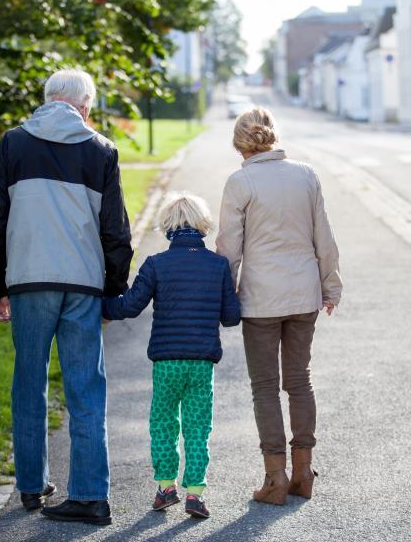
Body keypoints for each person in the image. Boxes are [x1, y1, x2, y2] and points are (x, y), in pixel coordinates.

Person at [0, 68, 132, 525]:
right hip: (82, 284)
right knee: (86, 388)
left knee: (29, 381)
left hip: (28, 281)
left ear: (48, 100)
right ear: (84, 105)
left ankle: (31, 486)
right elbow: (115, 230)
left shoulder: (14, 142)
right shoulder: (101, 149)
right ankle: (89, 496)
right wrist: (113, 289)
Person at [216, 106, 342, 506]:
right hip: (304, 294)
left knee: (266, 387)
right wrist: (330, 286)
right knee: (299, 380)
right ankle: (304, 471)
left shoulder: (240, 182)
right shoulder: (306, 175)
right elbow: (324, 236)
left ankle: (275, 478)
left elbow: (228, 248)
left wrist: (223, 295)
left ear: (240, 144)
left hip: (261, 300)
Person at [102, 192, 241, 519]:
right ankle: (196, 494)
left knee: (163, 422)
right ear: (202, 226)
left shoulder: (156, 264)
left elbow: (130, 305)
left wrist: (99, 305)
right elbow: (232, 317)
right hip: (202, 362)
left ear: (168, 227)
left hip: (166, 362)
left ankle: (166, 488)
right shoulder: (218, 265)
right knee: (198, 426)